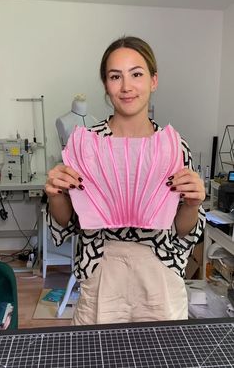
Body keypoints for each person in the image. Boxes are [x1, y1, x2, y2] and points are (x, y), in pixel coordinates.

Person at [45, 36, 206, 325]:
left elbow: (183, 233)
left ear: (153, 81)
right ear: (106, 85)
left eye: (137, 74)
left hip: (161, 275)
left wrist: (193, 204)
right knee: (99, 355)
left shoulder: (172, 147)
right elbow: (68, 222)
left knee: (162, 356)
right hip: (102, 274)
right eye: (115, 76)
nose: (127, 86)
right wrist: (56, 195)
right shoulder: (86, 145)